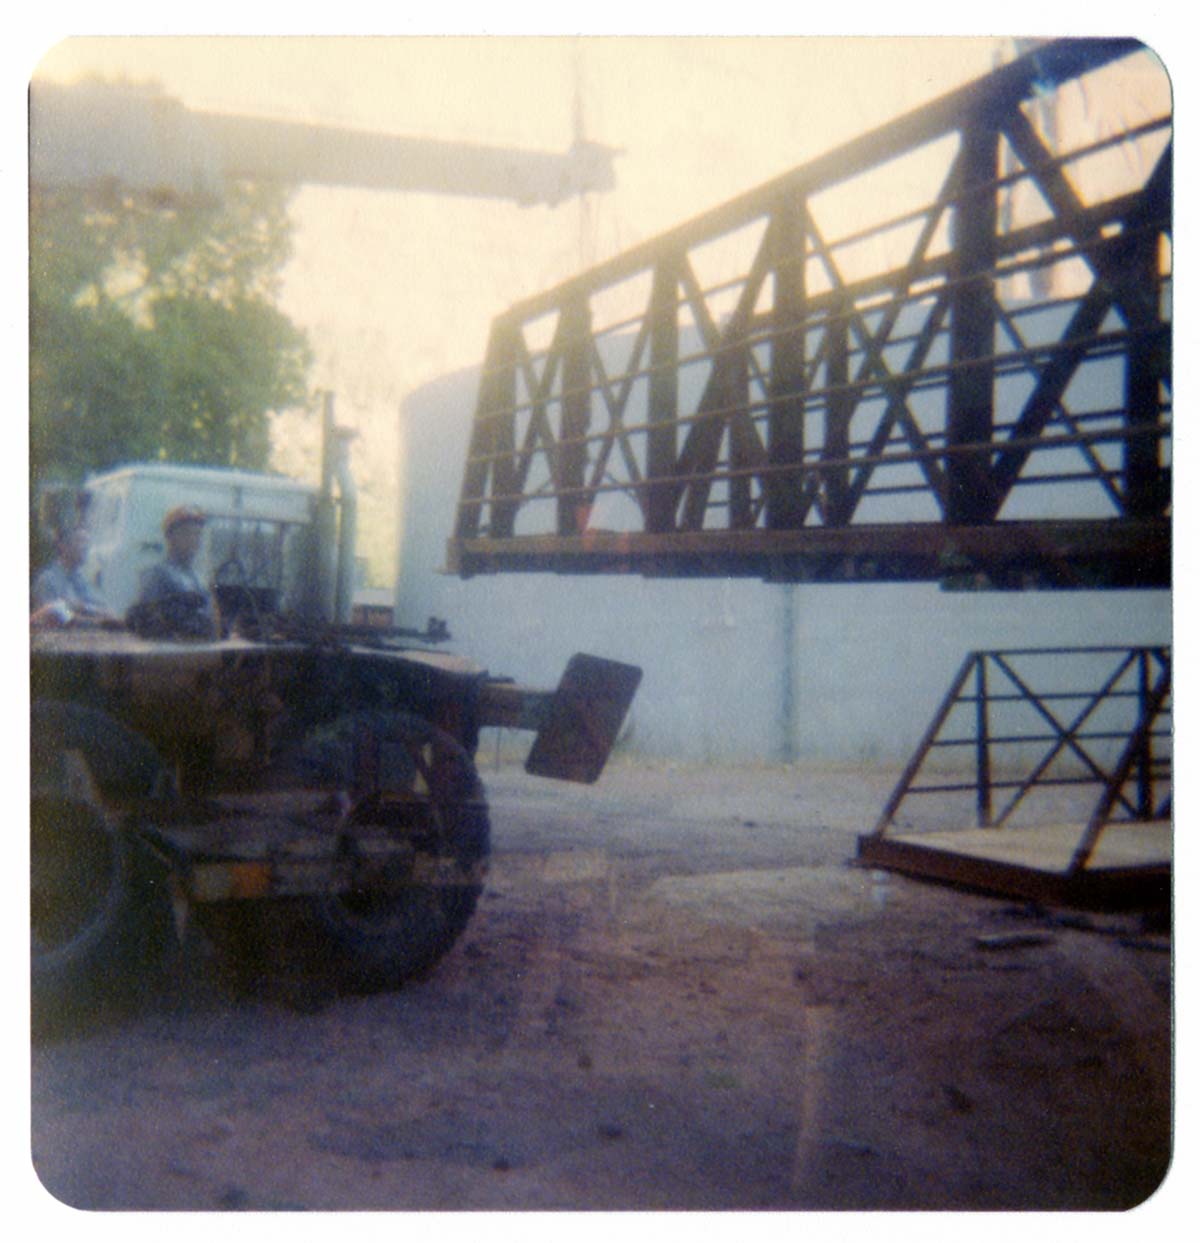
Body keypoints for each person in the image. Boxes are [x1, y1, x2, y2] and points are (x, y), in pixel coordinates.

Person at [127, 506, 220, 639]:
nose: (193, 539)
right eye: (186, 533)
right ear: (170, 537)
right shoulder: (157, 574)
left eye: (197, 534)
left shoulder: (199, 578)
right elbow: (150, 625)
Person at [30, 524, 114, 628]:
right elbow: (56, 618)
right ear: (63, 546)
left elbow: (102, 608)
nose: (85, 548)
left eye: (87, 543)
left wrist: (82, 607)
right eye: (80, 541)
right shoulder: (47, 580)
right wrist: (101, 622)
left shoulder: (83, 579)